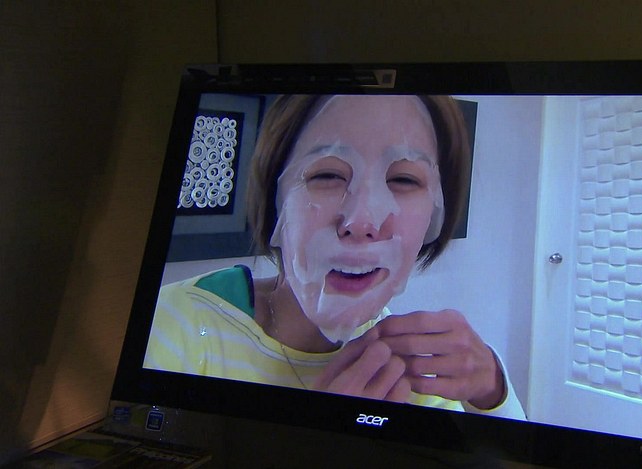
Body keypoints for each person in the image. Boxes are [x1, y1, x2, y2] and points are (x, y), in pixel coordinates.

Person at [144, 94, 525, 419]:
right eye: (327, 175)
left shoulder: (409, 366)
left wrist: (492, 392)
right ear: (276, 200)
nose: (362, 222)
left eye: (404, 180)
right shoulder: (173, 327)